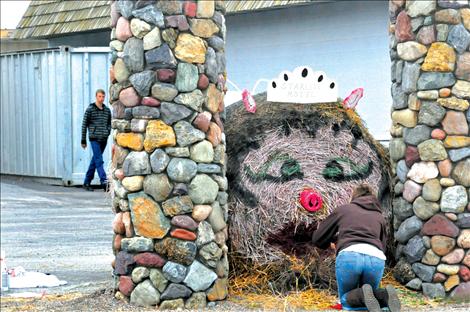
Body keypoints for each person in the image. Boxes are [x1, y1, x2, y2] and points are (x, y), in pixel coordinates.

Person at [312, 184, 400, 312]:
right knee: (370, 300)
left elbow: (318, 238)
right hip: (376, 258)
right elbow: (383, 246)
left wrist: (330, 244)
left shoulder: (344, 210)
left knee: (346, 302)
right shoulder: (379, 217)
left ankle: (363, 296)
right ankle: (383, 296)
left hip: (350, 255)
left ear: (354, 196)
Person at [81, 89, 111, 191]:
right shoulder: (90, 109)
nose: (101, 98)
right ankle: (104, 182)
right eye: (99, 96)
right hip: (94, 139)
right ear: (96, 97)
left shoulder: (107, 110)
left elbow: (109, 124)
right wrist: (83, 140)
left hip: (104, 139)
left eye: (103, 97)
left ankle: (86, 182)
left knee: (95, 161)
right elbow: (84, 125)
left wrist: (107, 132)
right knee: (99, 160)